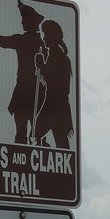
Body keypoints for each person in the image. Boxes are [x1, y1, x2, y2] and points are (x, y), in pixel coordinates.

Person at [0, 0, 45, 144]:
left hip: (35, 90)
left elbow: (3, 41)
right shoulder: (27, 41)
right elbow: (3, 41)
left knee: (32, 131)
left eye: (25, 21)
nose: (22, 24)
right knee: (23, 130)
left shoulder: (38, 44)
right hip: (24, 90)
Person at [33, 19, 74, 149]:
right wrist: (41, 67)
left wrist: (41, 66)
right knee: (60, 142)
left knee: (34, 136)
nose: (43, 38)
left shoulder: (59, 57)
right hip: (56, 105)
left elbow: (57, 83)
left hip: (55, 105)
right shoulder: (53, 55)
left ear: (52, 36)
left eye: (45, 34)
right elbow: (46, 81)